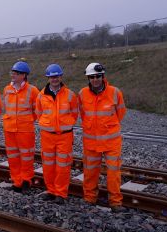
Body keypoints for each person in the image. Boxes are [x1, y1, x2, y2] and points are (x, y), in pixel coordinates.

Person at [79, 62, 127, 212]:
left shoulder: (114, 92)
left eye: (98, 76)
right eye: (92, 77)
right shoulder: (82, 94)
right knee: (90, 171)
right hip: (91, 141)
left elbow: (121, 113)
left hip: (111, 141)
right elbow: (82, 114)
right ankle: (89, 198)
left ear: (103, 76)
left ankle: (115, 202)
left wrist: (107, 127)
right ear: (88, 78)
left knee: (113, 172)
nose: (95, 79)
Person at [35, 64, 79, 203]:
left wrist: (65, 125)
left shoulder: (70, 95)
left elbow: (74, 113)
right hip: (47, 136)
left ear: (61, 77)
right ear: (48, 78)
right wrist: (47, 124)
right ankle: (51, 191)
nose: (54, 79)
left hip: (64, 136)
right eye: (52, 77)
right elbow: (39, 113)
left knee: (63, 166)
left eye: (57, 76)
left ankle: (61, 193)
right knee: (48, 165)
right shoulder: (41, 95)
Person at [2, 61, 39, 193]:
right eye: (13, 72)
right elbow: (6, 108)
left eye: (16, 73)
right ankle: (16, 182)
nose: (13, 75)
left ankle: (26, 182)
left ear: (24, 75)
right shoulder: (7, 90)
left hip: (25, 130)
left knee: (27, 157)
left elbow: (38, 111)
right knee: (13, 157)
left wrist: (27, 120)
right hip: (9, 129)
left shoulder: (32, 90)